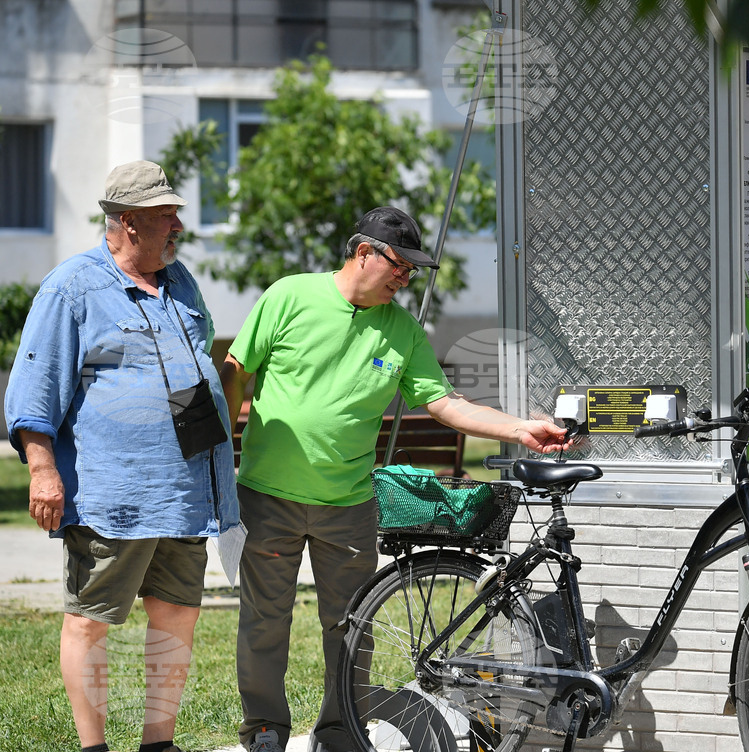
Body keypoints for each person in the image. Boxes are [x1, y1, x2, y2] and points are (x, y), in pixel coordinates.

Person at [220, 206, 571, 752]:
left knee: (351, 630)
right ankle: (265, 728)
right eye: (400, 265)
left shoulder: (402, 330)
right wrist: (221, 452)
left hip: (350, 504)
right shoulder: (289, 296)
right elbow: (236, 372)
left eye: (412, 270)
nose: (406, 279)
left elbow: (446, 404)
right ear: (364, 253)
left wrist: (521, 427)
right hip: (269, 496)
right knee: (266, 622)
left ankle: (339, 732)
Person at [3, 161, 240, 752]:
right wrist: (43, 471)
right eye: (166, 215)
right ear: (128, 223)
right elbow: (36, 389)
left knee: (178, 615)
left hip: (185, 493)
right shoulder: (72, 288)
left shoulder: (181, 280)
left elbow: (187, 368)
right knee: (90, 620)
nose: (179, 225)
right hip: (115, 494)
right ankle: (93, 747)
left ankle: (158, 742)